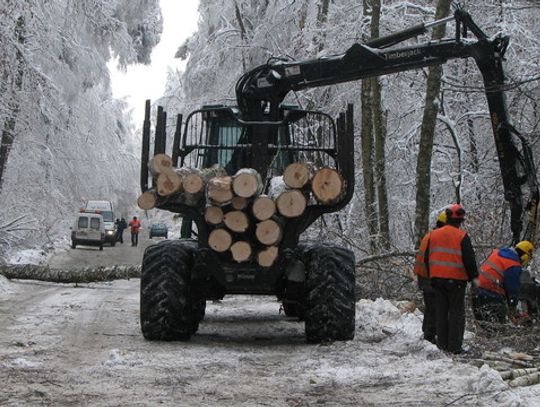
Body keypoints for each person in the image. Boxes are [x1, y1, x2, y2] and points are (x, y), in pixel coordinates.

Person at [426, 203, 479, 354]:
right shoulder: (462, 236)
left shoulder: (433, 235)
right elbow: (469, 260)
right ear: (461, 221)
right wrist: (474, 278)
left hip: (437, 280)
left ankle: (442, 345)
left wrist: (430, 276)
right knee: (456, 312)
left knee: (441, 312)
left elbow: (426, 257)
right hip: (456, 281)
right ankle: (455, 347)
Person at [472, 240, 534, 324]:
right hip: (491, 293)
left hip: (476, 289)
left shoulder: (498, 253)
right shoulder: (513, 264)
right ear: (525, 257)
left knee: (482, 323)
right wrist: (513, 306)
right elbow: (512, 289)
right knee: (497, 326)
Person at [413, 210, 447, 344]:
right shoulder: (437, 238)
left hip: (424, 275)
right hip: (429, 276)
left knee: (431, 306)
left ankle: (429, 332)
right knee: (434, 306)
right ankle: (430, 334)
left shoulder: (431, 235)